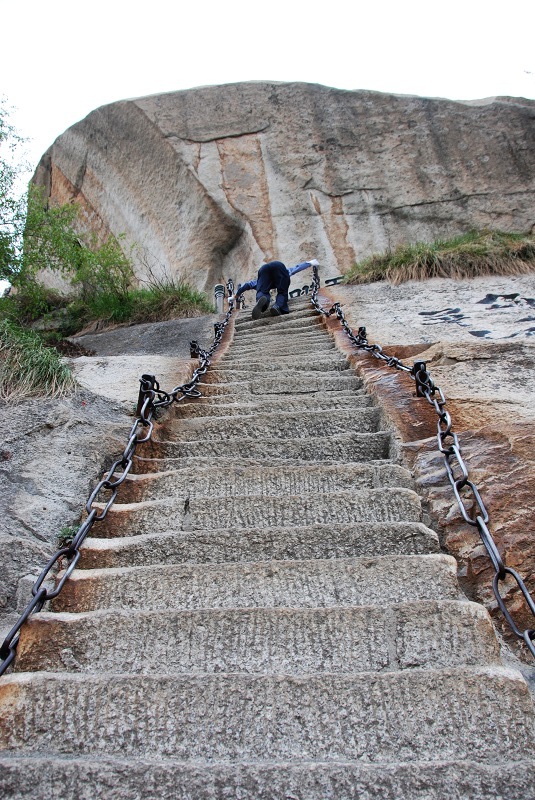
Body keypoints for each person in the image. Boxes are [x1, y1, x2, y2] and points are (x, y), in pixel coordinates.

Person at [235, 259, 319, 319]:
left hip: (264, 269)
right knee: (282, 292)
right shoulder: (284, 272)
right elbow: (296, 268)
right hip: (278, 265)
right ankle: (278, 306)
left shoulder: (257, 282)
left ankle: (262, 301)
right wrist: (309, 263)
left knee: (262, 291)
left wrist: (235, 296)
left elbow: (246, 285)